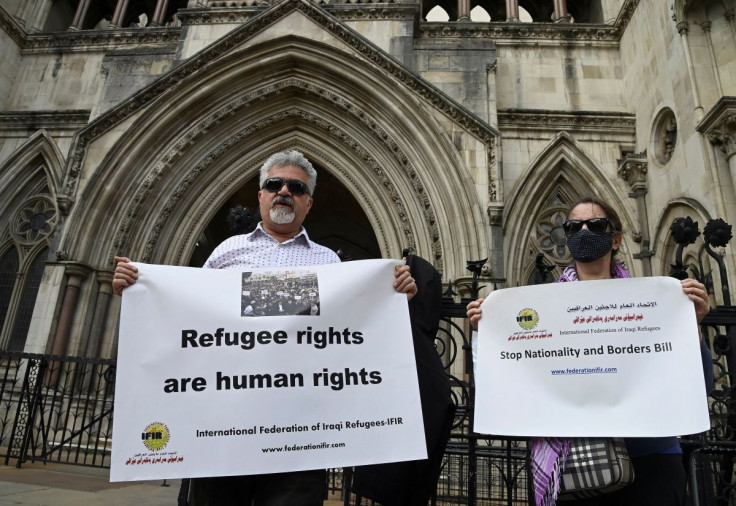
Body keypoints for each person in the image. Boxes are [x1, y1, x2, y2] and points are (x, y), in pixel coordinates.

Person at [112, 150, 417, 506]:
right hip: (226, 426)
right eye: (274, 184)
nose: (284, 191)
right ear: (261, 195)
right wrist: (139, 290)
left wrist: (393, 297)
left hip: (301, 429)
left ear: (308, 203)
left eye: (296, 187)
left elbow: (349, 333)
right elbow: (186, 319)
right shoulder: (227, 252)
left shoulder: (329, 262)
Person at [466, 195, 713, 506]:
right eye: (573, 227)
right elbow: (516, 378)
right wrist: (488, 333)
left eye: (595, 224)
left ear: (615, 239)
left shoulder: (653, 303)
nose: (584, 231)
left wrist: (694, 327)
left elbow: (699, 381)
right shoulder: (545, 306)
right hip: (576, 460)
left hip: (650, 455)